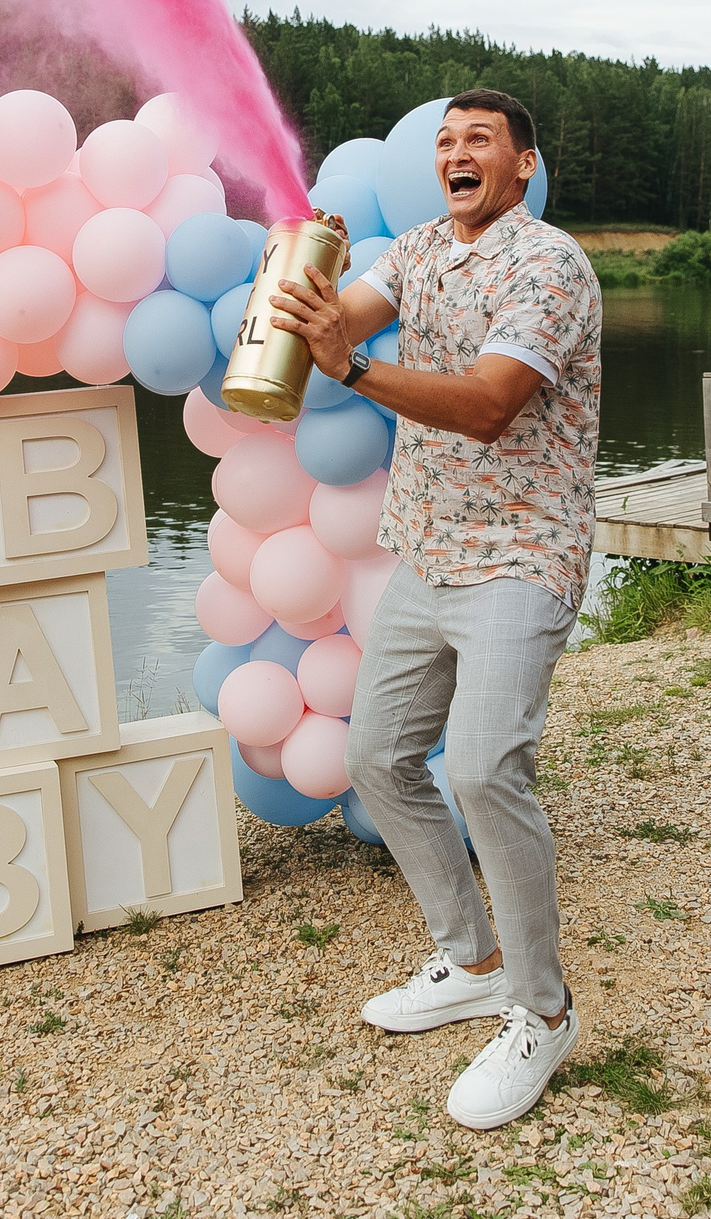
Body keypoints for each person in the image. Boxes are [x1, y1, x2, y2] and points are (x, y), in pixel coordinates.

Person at [267, 88, 602, 1130]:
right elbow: (349, 317)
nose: (456, 154)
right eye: (447, 142)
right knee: (379, 758)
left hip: (519, 555)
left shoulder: (549, 267)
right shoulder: (414, 248)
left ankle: (543, 1014)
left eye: (479, 143)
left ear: (523, 165)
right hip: (427, 552)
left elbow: (492, 404)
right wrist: (305, 292)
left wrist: (355, 369)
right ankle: (472, 962)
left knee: (485, 768)